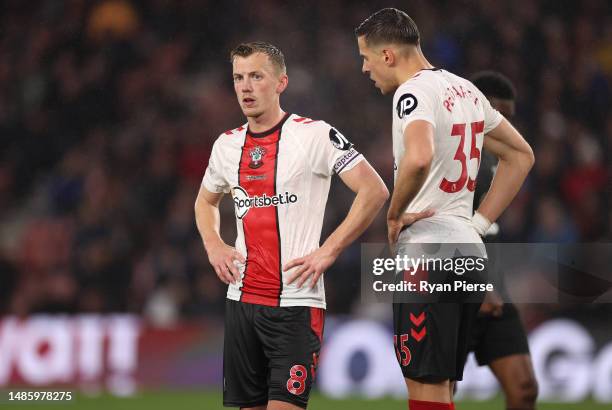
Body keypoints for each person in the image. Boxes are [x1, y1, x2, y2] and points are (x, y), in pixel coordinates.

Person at [355, 8, 534, 410]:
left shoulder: (412, 92)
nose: (365, 69)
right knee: (441, 388)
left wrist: (394, 213)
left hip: (426, 254)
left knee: (426, 389)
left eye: (366, 57)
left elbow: (419, 157)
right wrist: (479, 223)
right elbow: (521, 156)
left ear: (388, 56)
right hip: (469, 254)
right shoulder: (467, 91)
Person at [194, 41, 388, 410]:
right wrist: (214, 245)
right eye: (238, 78)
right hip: (241, 302)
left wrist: (329, 250)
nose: (246, 87)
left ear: (281, 82)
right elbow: (205, 201)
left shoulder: (314, 135)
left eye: (256, 76)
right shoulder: (226, 145)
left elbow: (374, 190)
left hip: (296, 304)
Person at [466, 71, 538, 409]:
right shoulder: (453, 156)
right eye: (499, 114)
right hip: (454, 289)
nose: (506, 123)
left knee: (524, 389)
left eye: (510, 116)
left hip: (495, 287)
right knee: (438, 393)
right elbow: (441, 227)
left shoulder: (501, 160)